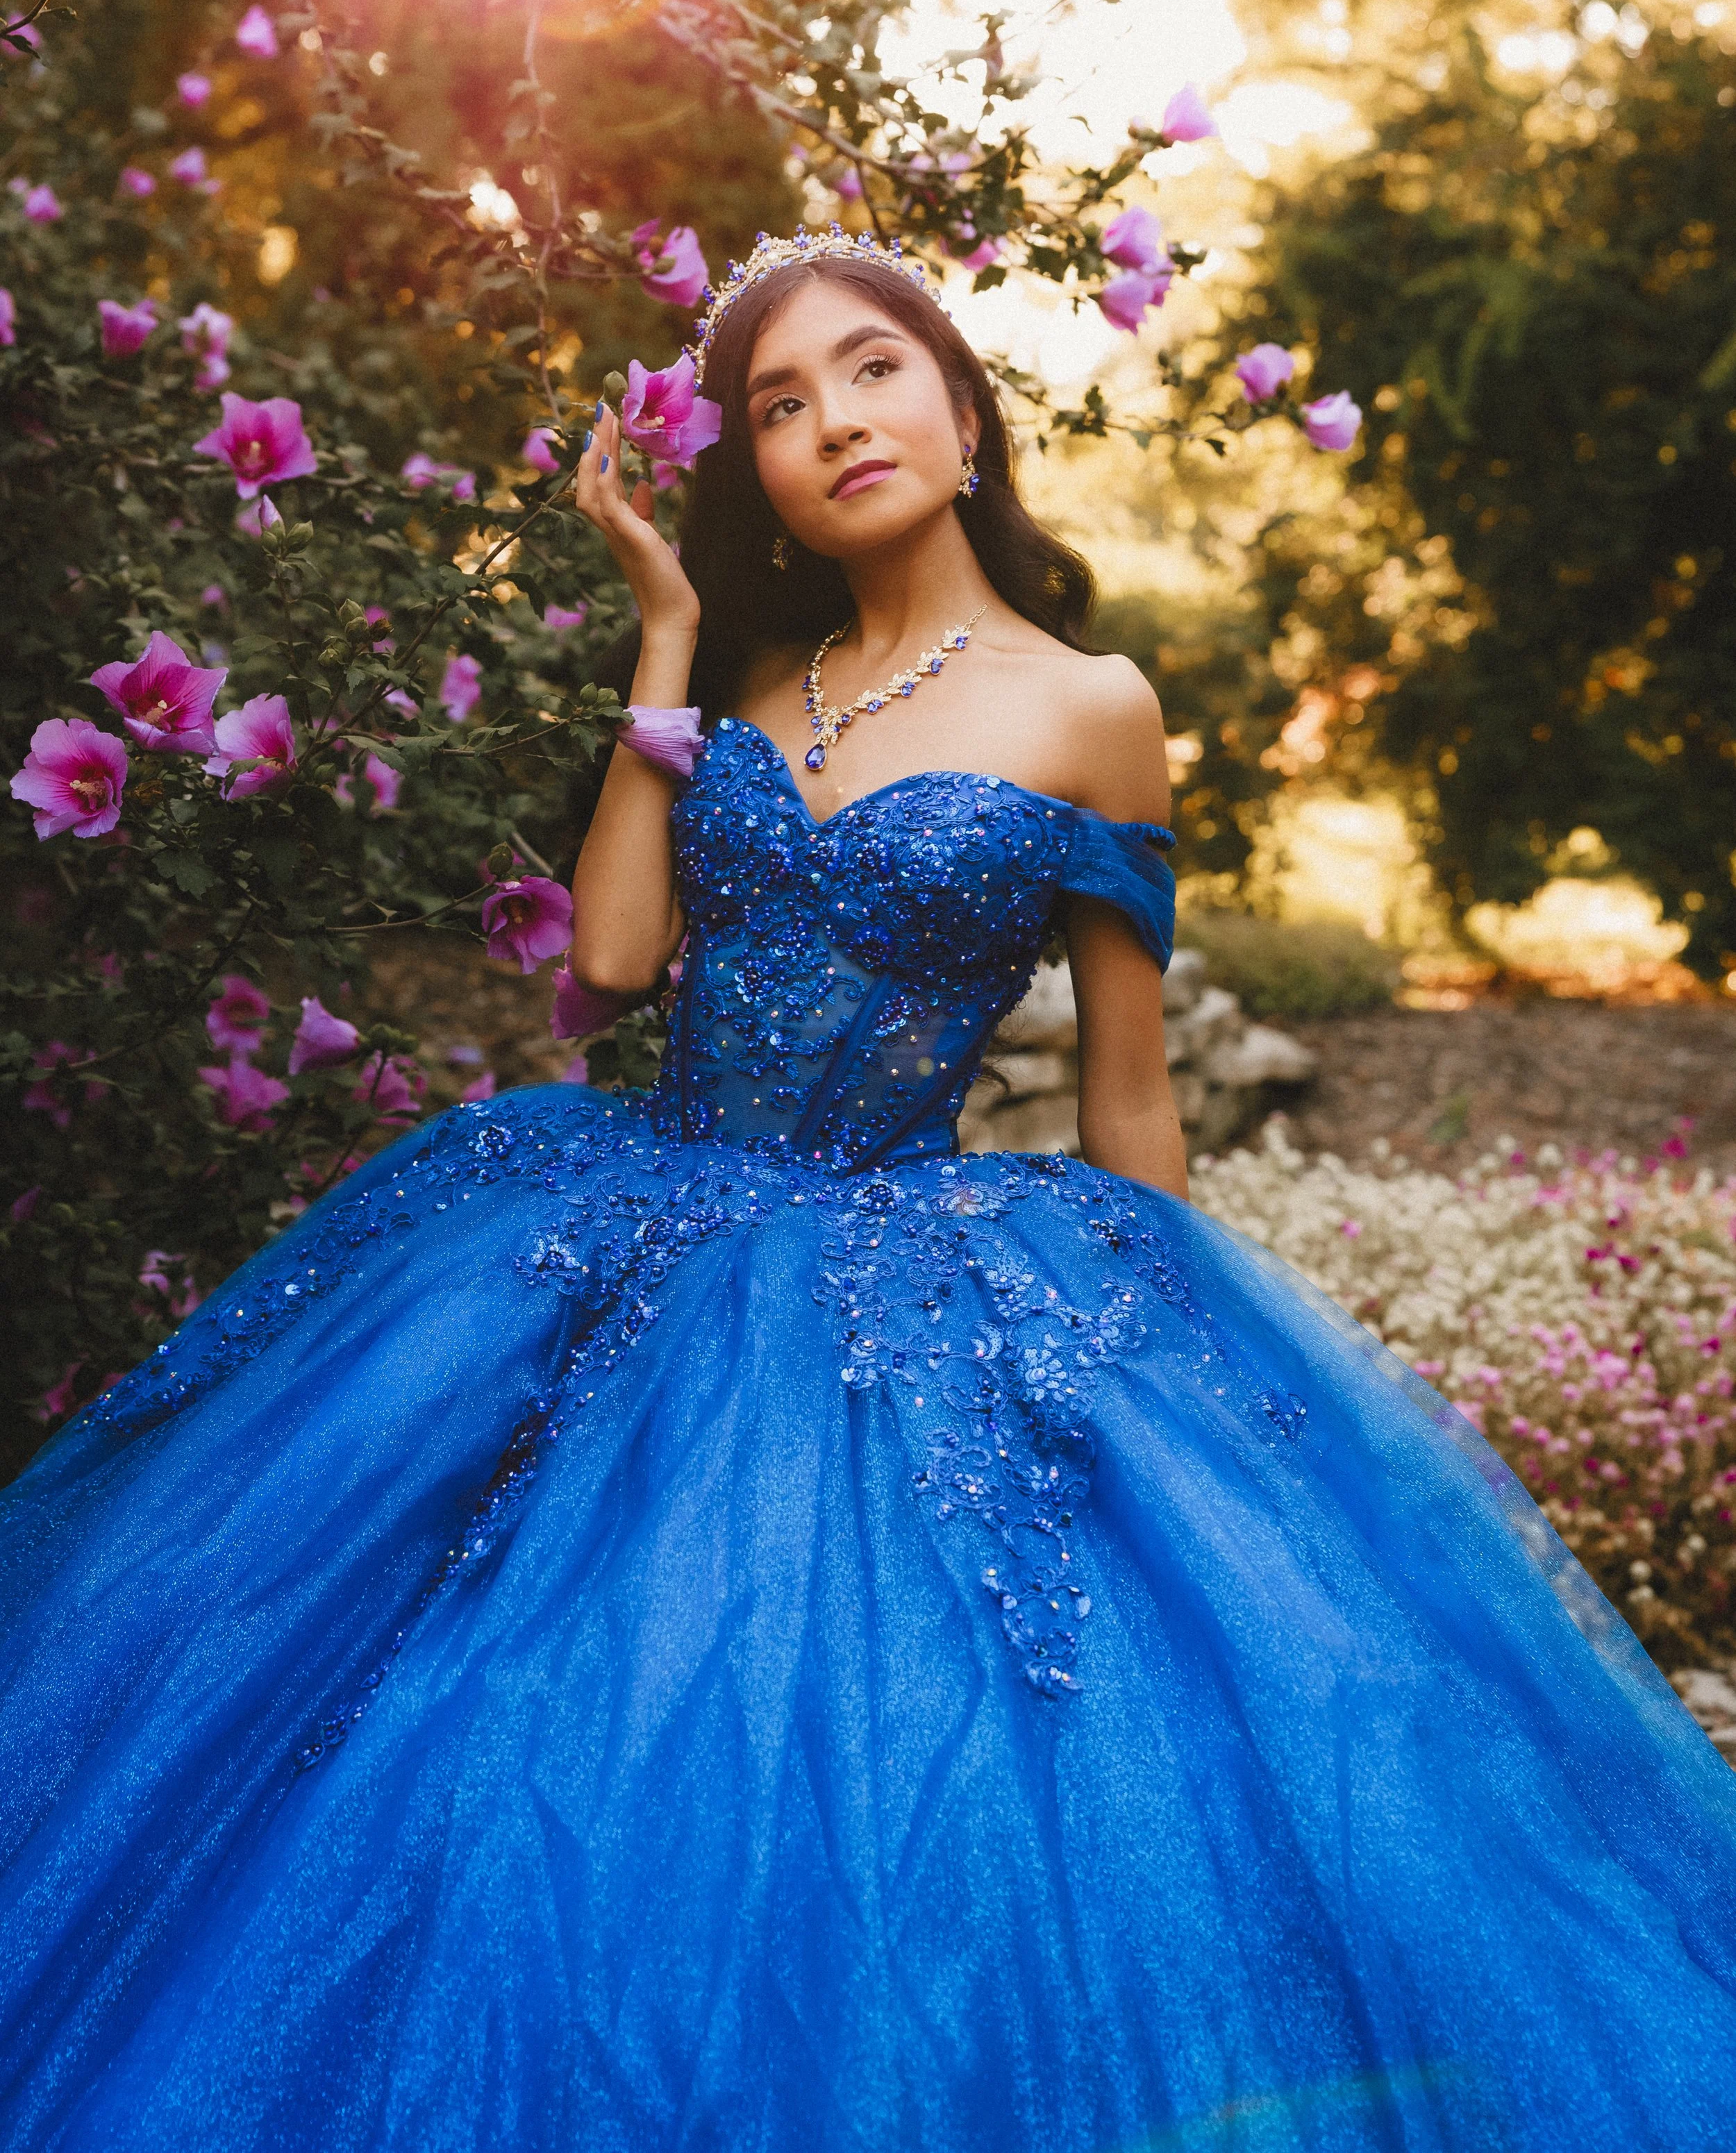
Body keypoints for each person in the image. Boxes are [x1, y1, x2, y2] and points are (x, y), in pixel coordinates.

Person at [2, 229, 1735, 2153]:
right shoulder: (749, 672)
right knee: (492, 1720)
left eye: (871, 368)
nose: (831, 420)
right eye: (775, 404)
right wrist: (659, 638)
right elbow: (607, 950)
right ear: (748, 467)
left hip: (907, 1276)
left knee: (905, 1770)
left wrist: (1148, 1387)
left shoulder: (1092, 703)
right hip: (623, 1231)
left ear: (965, 405)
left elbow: (1126, 1092)